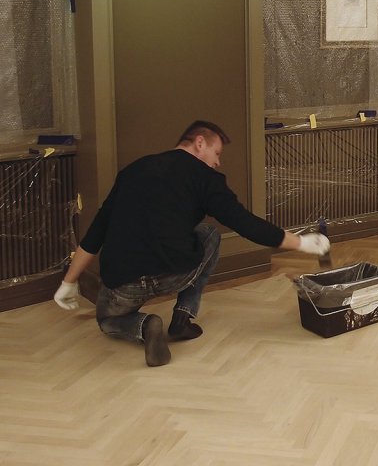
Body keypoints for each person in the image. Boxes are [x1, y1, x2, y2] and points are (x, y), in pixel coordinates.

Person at [53, 120, 331, 366]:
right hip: (175, 272)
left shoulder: (132, 171)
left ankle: (144, 325)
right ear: (200, 143)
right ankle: (182, 318)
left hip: (124, 281)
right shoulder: (206, 179)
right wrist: (302, 243)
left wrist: (69, 282)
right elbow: (245, 223)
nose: (218, 162)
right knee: (210, 234)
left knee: (107, 319)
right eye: (217, 153)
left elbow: (96, 233)